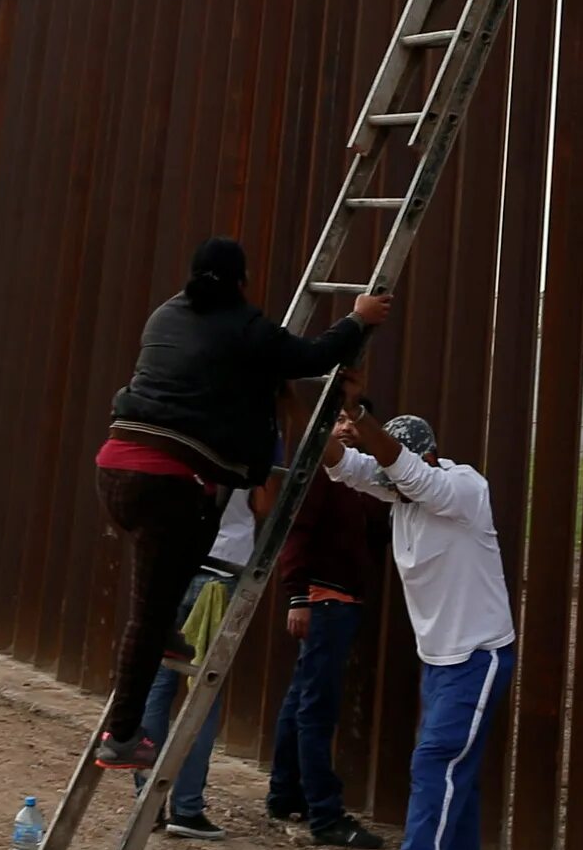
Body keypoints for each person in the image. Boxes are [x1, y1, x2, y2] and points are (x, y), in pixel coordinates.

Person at [89, 236, 390, 769]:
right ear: (241, 281)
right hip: (163, 480)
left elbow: (220, 373)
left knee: (196, 527)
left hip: (116, 466)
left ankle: (170, 637)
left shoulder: (164, 315)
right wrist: (358, 317)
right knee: (147, 611)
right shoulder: (245, 326)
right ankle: (120, 735)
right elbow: (313, 355)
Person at [324, 392, 516, 850]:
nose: (390, 482)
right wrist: (315, 413)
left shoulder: (461, 488)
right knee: (456, 779)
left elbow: (406, 474)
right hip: (441, 661)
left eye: (397, 470)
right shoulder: (403, 497)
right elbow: (343, 467)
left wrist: (361, 415)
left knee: (436, 771)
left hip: (477, 658)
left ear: (423, 460)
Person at [131, 473, 271, 839]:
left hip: (175, 565)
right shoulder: (249, 440)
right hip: (222, 570)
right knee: (204, 696)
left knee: (158, 684)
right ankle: (187, 808)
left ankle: (147, 799)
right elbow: (263, 506)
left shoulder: (181, 434)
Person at [263, 438, 385, 850]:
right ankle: (325, 816)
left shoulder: (354, 478)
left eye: (357, 419)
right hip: (325, 601)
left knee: (302, 699)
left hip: (340, 600)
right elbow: (295, 530)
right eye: (341, 418)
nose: (350, 426)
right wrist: (297, 596)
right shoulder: (318, 472)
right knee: (317, 707)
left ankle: (284, 795)